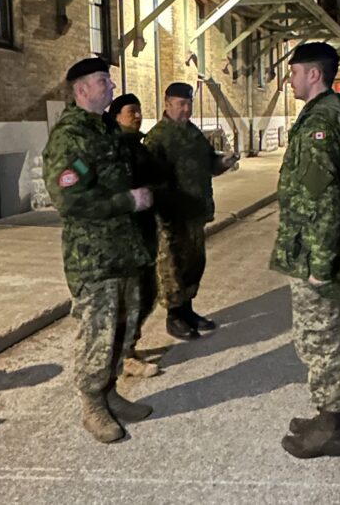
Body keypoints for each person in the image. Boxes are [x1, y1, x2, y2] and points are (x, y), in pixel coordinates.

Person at [42, 57, 154, 444]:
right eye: (102, 80)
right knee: (98, 331)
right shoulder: (70, 136)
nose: (110, 85)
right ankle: (92, 404)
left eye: (108, 78)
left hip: (125, 248)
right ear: (81, 90)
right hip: (94, 255)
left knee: (124, 326)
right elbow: (69, 201)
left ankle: (110, 392)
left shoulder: (107, 128)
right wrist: (128, 201)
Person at [270, 42, 340, 459]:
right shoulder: (319, 117)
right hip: (310, 248)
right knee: (315, 336)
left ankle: (332, 426)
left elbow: (324, 200)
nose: (289, 79)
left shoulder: (320, 126)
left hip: (315, 254)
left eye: (294, 72)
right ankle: (327, 413)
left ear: (313, 74)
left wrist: (321, 264)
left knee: (321, 337)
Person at [144, 82, 239, 341]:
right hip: (172, 217)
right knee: (172, 267)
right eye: (180, 104)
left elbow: (209, 163)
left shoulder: (193, 133)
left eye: (189, 104)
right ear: (167, 103)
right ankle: (174, 316)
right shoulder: (157, 138)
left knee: (194, 264)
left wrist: (223, 162)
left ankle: (188, 310)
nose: (186, 109)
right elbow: (150, 179)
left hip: (195, 212)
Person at [106, 93, 161, 378]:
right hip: (125, 237)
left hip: (145, 231)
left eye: (139, 110)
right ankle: (123, 356)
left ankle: (130, 345)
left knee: (148, 294)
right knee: (129, 299)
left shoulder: (139, 147)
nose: (137, 115)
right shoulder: (114, 148)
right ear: (117, 116)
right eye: (131, 111)